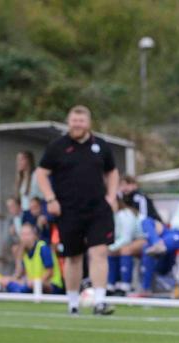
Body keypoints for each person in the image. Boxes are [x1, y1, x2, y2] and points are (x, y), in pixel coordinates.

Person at [35, 105, 119, 316]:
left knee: (99, 252)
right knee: (73, 257)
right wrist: (50, 198)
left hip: (98, 208)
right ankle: (73, 303)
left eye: (81, 121)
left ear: (88, 123)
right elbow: (41, 173)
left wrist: (111, 196)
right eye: (74, 121)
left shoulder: (100, 145)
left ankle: (100, 301)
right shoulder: (58, 146)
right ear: (68, 122)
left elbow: (112, 171)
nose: (77, 125)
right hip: (68, 210)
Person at [2, 222, 64, 294]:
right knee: (5, 281)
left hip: (51, 284)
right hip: (32, 283)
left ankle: (21, 291)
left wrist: (36, 282)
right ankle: (20, 291)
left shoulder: (42, 248)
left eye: (27, 234)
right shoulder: (24, 251)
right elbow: (19, 273)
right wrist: (19, 257)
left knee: (29, 285)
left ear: (34, 235)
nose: (25, 237)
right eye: (22, 234)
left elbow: (50, 272)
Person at [107, 195, 147, 296]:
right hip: (129, 240)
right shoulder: (111, 216)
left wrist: (110, 248)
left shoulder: (125, 214)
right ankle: (111, 284)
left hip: (144, 238)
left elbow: (126, 238)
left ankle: (126, 285)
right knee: (112, 251)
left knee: (125, 250)